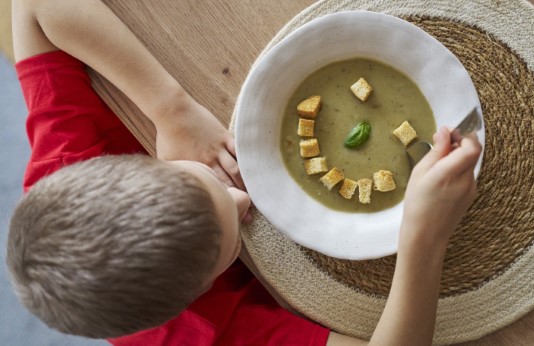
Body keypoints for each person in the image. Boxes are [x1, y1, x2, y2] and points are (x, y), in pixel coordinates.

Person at [6, 0, 482, 345]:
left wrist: (169, 108)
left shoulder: (64, 166)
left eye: (206, 183)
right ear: (198, 293)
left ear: (119, 168)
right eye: (229, 240)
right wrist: (424, 239)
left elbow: (34, 6)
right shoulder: (196, 335)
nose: (242, 197)